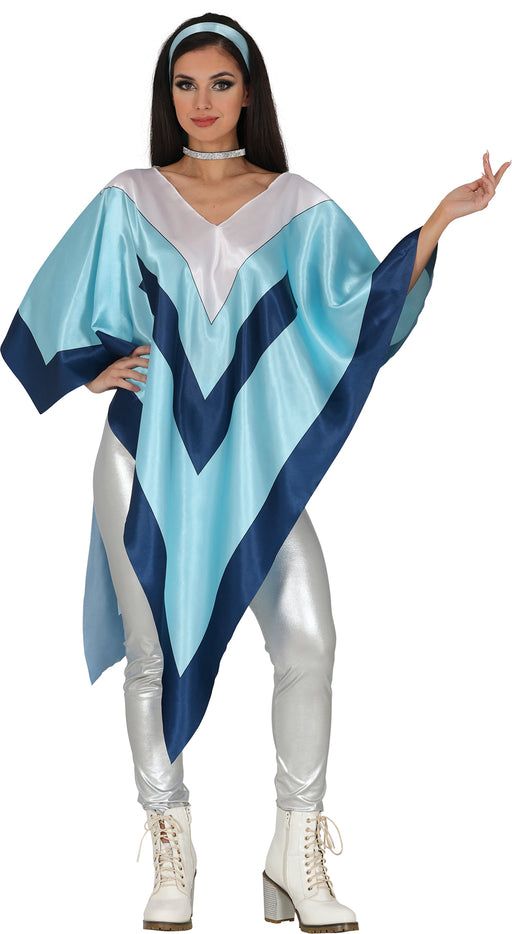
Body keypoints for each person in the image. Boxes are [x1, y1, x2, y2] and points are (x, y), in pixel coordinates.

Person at [1, 12, 509, 934]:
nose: (201, 102)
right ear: (168, 97)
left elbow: (360, 309)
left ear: (249, 93)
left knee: (310, 643)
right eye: (184, 85)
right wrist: (90, 370)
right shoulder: (129, 198)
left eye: (220, 83)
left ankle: (295, 847)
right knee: (151, 656)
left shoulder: (296, 207)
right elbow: (55, 306)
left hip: (252, 469)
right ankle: (172, 847)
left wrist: (440, 221)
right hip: (144, 460)